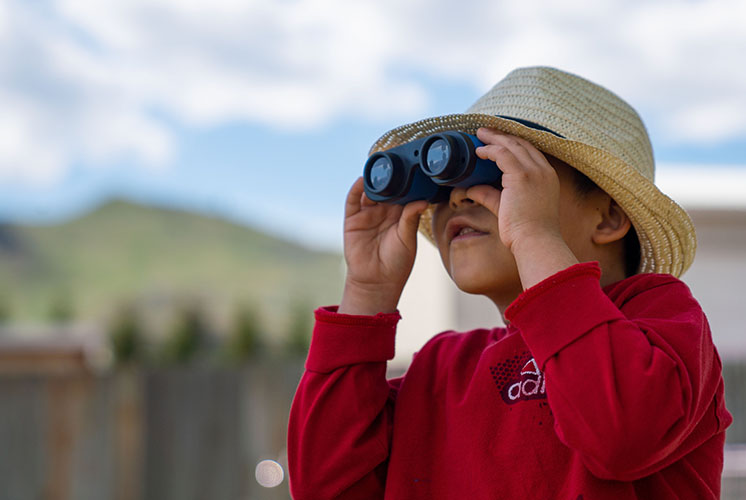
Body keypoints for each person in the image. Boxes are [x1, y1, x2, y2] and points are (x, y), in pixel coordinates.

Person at [286, 66, 732, 499]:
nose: (458, 196)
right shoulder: (441, 371)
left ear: (608, 216)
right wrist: (367, 294)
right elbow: (325, 487)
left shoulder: (660, 319)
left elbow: (620, 435)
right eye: (442, 189)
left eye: (499, 172)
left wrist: (534, 235)